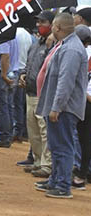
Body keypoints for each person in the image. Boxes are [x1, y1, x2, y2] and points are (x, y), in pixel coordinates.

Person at [35, 13, 88, 199]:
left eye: (53, 26)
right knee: (56, 146)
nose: (50, 29)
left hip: (64, 108)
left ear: (58, 27)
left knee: (63, 147)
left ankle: (63, 185)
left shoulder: (72, 49)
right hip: (59, 106)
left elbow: (66, 82)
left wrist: (56, 107)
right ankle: (55, 180)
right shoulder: (65, 45)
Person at [17, 11, 54, 178]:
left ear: (53, 25)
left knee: (43, 130)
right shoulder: (36, 44)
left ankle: (47, 165)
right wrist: (23, 75)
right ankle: (38, 161)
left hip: (43, 94)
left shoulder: (52, 45)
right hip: (30, 92)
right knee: (33, 131)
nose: (39, 25)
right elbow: (28, 64)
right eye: (38, 22)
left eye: (43, 22)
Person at [72, 24, 91, 190]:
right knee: (81, 138)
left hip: (87, 100)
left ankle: (82, 173)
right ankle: (81, 171)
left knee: (85, 140)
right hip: (83, 99)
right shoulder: (86, 52)